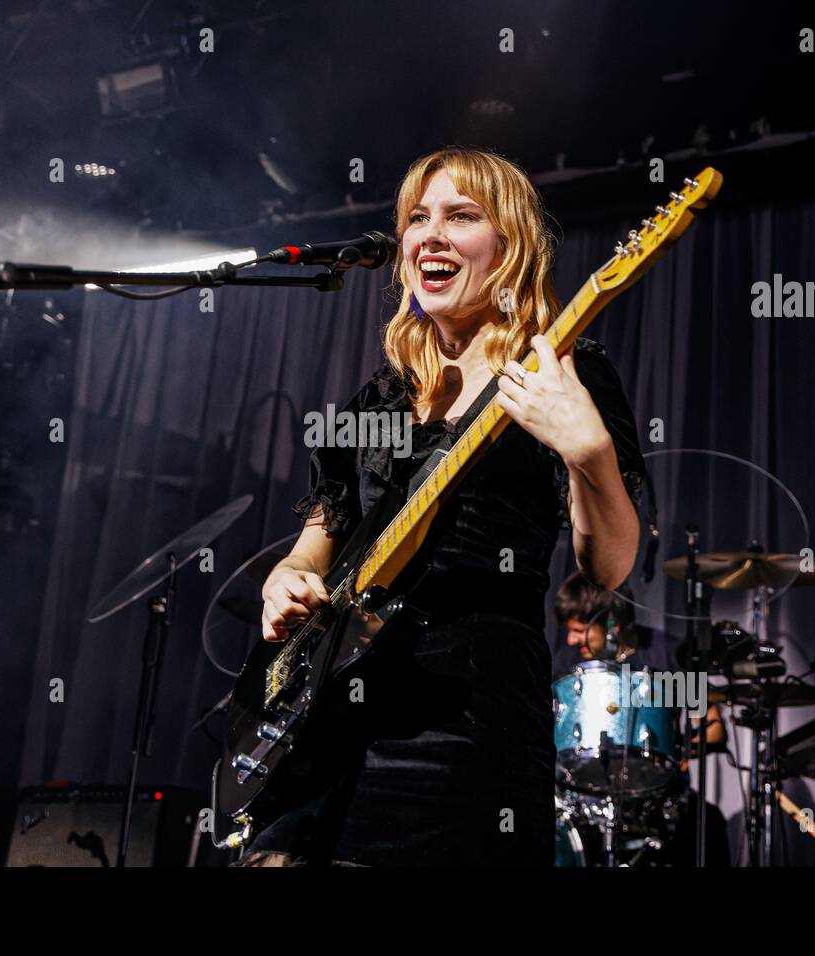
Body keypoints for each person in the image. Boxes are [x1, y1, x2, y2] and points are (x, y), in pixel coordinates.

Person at [239, 146, 645, 866]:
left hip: (470, 718)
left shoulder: (560, 370)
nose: (430, 234)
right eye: (417, 218)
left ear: (510, 246)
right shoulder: (383, 395)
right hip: (335, 719)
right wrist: (289, 575)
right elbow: (319, 536)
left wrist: (591, 453)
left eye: (461, 216)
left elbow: (609, 568)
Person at [552, 572, 731, 865]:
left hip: (660, 800)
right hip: (584, 800)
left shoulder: (668, 654)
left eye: (580, 629)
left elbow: (713, 727)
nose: (572, 639)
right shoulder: (566, 663)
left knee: (709, 822)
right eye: (568, 630)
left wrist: (684, 751)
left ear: (611, 622)